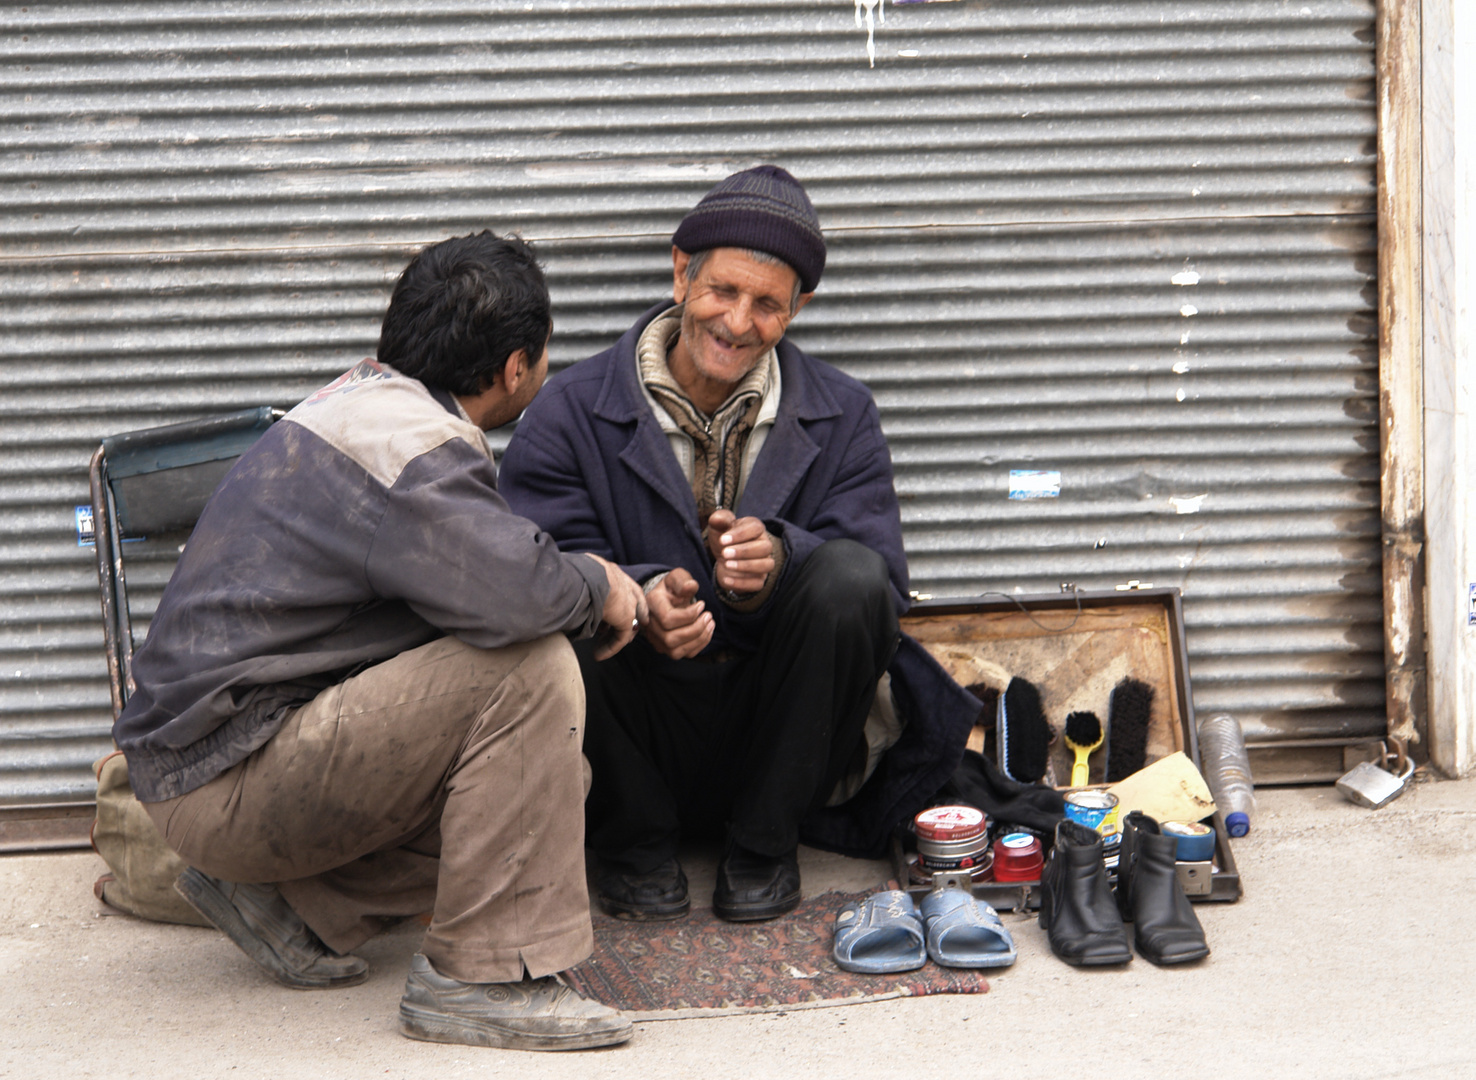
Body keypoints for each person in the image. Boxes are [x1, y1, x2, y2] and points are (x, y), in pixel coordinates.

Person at [112, 232, 648, 1052]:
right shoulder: (411, 449)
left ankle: (293, 908)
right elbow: (519, 597)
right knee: (532, 671)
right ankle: (482, 979)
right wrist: (607, 586)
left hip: (206, 766)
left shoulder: (361, 404)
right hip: (225, 777)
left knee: (549, 778)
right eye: (542, 357)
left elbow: (475, 583)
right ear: (514, 369)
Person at [499, 166, 980, 924]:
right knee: (559, 598)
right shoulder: (571, 409)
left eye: (767, 305)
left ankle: (763, 845)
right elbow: (530, 561)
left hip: (779, 732)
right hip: (635, 729)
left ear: (799, 309)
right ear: (681, 271)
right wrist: (641, 594)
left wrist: (784, 565)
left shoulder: (843, 411)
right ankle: (634, 845)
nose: (736, 322)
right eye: (723, 290)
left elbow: (880, 590)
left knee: (848, 577)